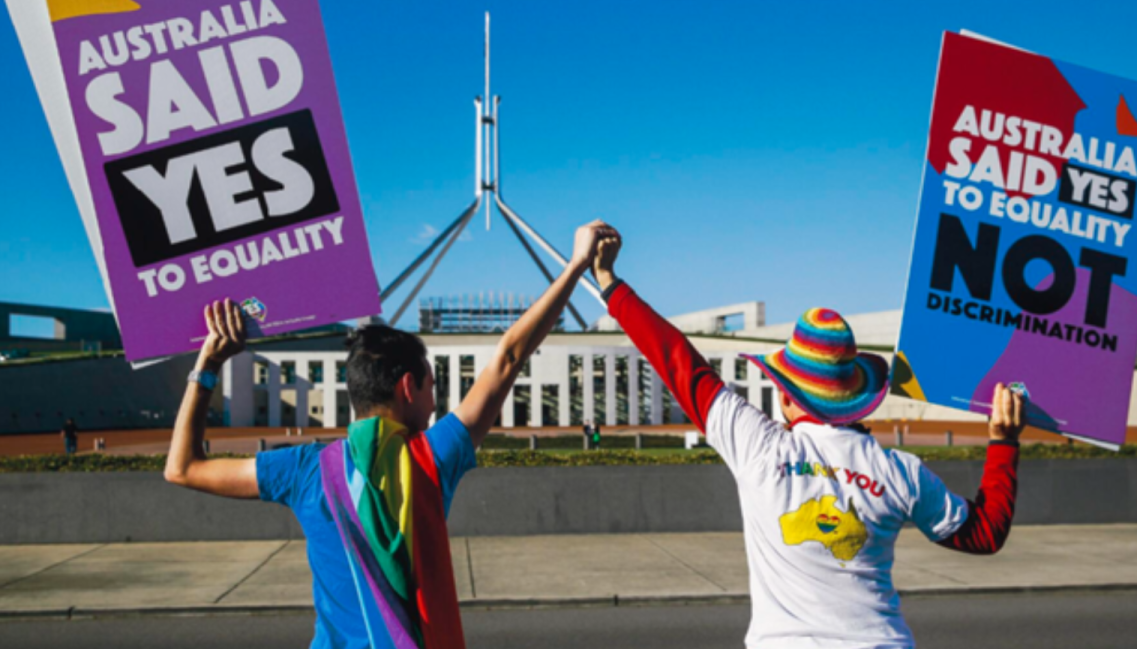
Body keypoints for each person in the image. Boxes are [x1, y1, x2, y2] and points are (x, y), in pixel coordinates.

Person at [165, 221, 614, 649]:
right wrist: (575, 266)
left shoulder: (304, 470)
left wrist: (207, 365)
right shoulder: (433, 457)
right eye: (431, 388)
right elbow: (510, 355)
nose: (435, 405)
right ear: (406, 387)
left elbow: (182, 468)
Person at [592, 230, 1025, 649]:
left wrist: (609, 281)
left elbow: (677, 361)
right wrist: (1004, 442)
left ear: (786, 394)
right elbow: (984, 534)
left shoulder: (758, 446)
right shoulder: (901, 472)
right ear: (856, 395)